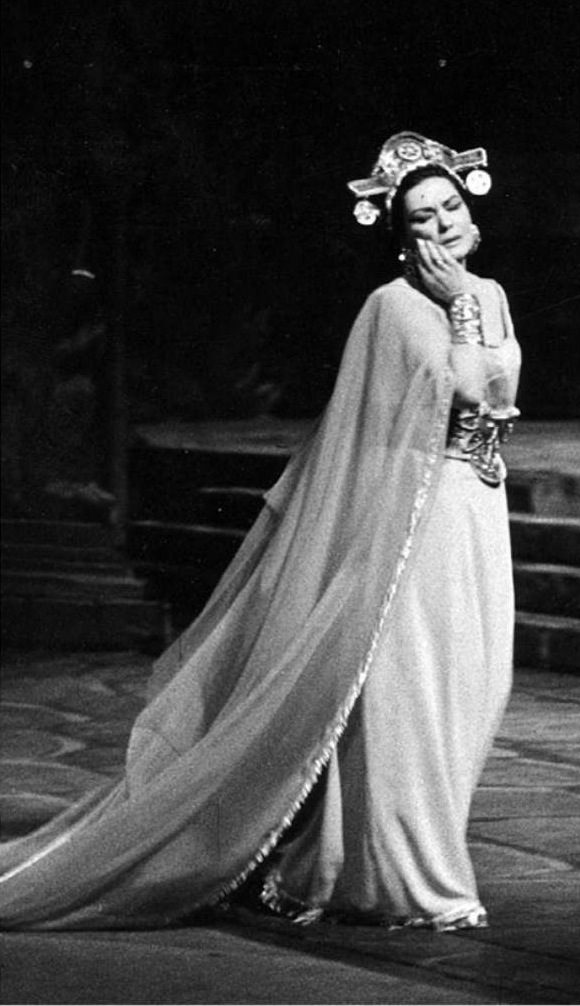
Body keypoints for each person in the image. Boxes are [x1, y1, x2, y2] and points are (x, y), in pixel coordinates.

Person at [0, 131, 521, 932]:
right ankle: (407, 879)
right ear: (400, 234)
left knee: (474, 690)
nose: (445, 224)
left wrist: (470, 308)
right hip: (419, 523)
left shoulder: (487, 293)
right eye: (423, 217)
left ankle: (355, 861)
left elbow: (501, 392)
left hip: (479, 510)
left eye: (451, 206)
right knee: (410, 700)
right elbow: (467, 389)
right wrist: (458, 309)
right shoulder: (397, 306)